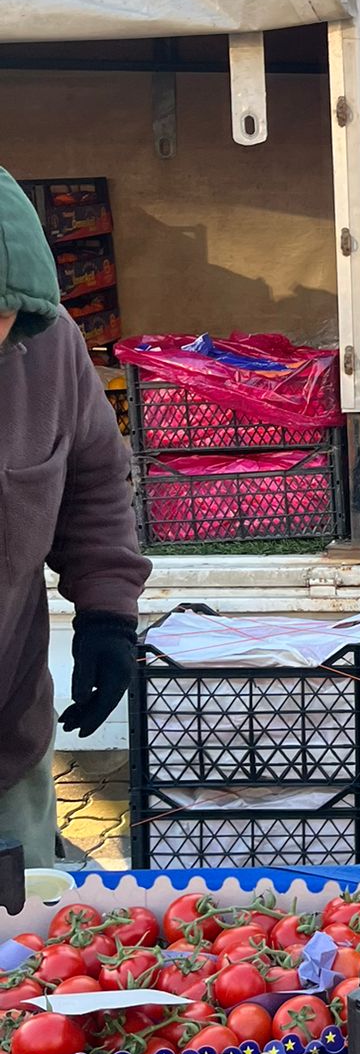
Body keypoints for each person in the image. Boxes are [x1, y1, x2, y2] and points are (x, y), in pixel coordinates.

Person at [0, 168, 150, 866]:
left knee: (25, 942)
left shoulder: (48, 343)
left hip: (8, 731)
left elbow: (93, 477)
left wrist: (107, 618)